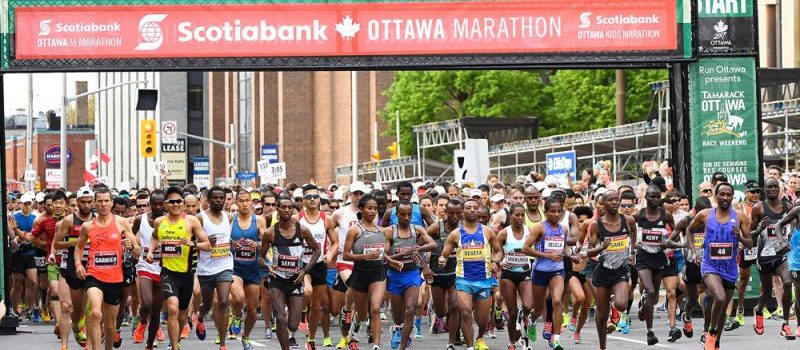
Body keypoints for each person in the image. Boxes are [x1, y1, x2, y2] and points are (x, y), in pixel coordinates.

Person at [686, 182, 752, 350]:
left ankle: (716, 343)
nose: (725, 197)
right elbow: (689, 231)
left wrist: (740, 237)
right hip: (710, 266)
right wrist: (694, 252)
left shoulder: (740, 217)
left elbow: (750, 243)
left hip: (729, 268)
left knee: (722, 309)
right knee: (720, 298)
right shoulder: (705, 214)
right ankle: (712, 332)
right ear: (716, 195)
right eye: (721, 194)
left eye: (728, 195)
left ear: (732, 196)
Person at [74, 187, 140, 350]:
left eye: (106, 201)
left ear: (111, 202)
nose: (103, 204)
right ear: (95, 203)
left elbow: (138, 251)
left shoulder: (121, 222)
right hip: (94, 276)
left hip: (115, 278)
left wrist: (131, 246)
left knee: (110, 325)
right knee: (96, 313)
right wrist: (78, 264)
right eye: (100, 201)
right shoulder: (88, 226)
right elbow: (79, 248)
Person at [147, 186, 212, 350]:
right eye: (171, 202)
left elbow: (208, 245)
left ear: (183, 203)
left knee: (182, 315)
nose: (175, 204)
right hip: (168, 273)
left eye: (178, 201)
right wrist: (150, 251)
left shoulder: (191, 221)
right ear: (165, 204)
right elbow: (155, 237)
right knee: (173, 308)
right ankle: (174, 347)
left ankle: (177, 338)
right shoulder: (160, 222)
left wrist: (193, 243)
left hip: (187, 274)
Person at [439, 198, 503, 350]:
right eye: (469, 208)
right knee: (466, 312)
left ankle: (479, 338)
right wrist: (442, 259)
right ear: (463, 212)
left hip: (484, 280)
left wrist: (495, 260)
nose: (472, 210)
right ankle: (469, 346)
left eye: (475, 207)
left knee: (483, 320)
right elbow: (444, 254)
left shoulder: (488, 232)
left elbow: (499, 251)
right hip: (463, 280)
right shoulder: (455, 234)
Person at [262, 198, 321, 350]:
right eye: (283, 207)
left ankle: (291, 317)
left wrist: (305, 270)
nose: (287, 210)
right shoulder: (270, 233)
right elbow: (260, 257)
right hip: (277, 280)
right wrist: (268, 267)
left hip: (296, 280)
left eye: (290, 208)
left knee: (293, 325)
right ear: (277, 209)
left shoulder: (302, 230)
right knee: (281, 319)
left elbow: (317, 250)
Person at [586, 190, 637, 350]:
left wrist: (632, 252)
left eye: (617, 200)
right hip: (603, 271)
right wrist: (602, 247)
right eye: (610, 200)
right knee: (601, 314)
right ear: (604, 203)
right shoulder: (596, 225)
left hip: (620, 271)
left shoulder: (627, 220)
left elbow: (634, 232)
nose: (615, 203)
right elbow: (590, 251)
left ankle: (613, 308)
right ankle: (602, 346)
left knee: (622, 304)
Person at [523, 197, 573, 350]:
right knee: (538, 309)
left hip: (557, 270)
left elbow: (563, 247)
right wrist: (547, 255)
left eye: (559, 211)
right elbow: (525, 248)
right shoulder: (539, 228)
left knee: (557, 301)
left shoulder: (563, 229)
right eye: (552, 211)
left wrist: (571, 256)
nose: (556, 214)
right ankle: (531, 319)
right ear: (546, 212)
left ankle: (556, 339)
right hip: (540, 271)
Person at [385, 201, 436, 350]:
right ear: (396, 215)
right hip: (395, 275)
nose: (406, 217)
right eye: (403, 214)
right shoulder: (390, 232)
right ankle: (398, 327)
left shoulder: (417, 229)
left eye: (409, 214)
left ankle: (402, 346)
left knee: (411, 308)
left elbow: (432, 244)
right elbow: (386, 257)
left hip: (412, 274)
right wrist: (406, 253)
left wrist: (419, 249)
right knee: (398, 316)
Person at [295, 184, 339, 350]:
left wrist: (330, 253)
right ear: (303, 200)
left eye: (315, 197)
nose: (312, 200)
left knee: (317, 306)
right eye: (308, 197)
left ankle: (311, 340)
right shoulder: (296, 218)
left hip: (320, 264)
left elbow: (335, 243)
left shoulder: (326, 219)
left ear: (319, 199)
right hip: (302, 264)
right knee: (307, 291)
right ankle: (301, 312)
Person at [342, 193, 387, 350]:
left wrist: (391, 260)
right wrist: (365, 256)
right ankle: (356, 324)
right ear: (361, 208)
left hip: (378, 274)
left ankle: (375, 345)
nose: (373, 211)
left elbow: (382, 253)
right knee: (362, 314)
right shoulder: (354, 230)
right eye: (369, 208)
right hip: (360, 274)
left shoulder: (381, 230)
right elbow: (345, 254)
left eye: (375, 208)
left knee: (375, 308)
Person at [633, 185, 676, 346]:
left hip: (659, 257)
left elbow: (675, 231)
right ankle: (650, 332)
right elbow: (630, 229)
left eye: (658, 196)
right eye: (652, 196)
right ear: (646, 197)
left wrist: (670, 243)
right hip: (643, 257)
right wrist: (634, 245)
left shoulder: (666, 215)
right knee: (650, 290)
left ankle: (645, 303)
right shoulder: (639, 215)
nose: (655, 200)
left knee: (655, 296)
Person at [750, 177, 793, 338]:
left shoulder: (788, 206)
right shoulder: (758, 208)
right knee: (767, 293)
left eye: (776, 186)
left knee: (787, 283)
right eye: (769, 187)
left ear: (780, 188)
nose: (773, 189)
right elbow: (750, 233)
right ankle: (759, 310)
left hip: (782, 254)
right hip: (764, 256)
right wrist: (760, 227)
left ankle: (786, 324)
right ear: (764, 190)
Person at [52, 187, 95, 349]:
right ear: (77, 203)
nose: (86, 205)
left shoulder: (98, 220)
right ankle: (64, 345)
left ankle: (81, 333)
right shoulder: (69, 221)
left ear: (93, 202)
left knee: (88, 309)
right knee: (66, 307)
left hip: (91, 268)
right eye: (82, 202)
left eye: (89, 202)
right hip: (69, 266)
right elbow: (56, 244)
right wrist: (75, 243)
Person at [195, 186, 234, 349]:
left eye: (221, 198)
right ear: (208, 200)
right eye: (215, 198)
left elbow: (228, 237)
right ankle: (201, 317)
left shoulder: (229, 217)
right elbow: (190, 242)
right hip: (205, 267)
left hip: (225, 264)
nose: (219, 200)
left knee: (224, 302)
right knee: (208, 304)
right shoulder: (200, 218)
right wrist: (203, 243)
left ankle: (223, 343)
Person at [229, 190, 268, 350]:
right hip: (235, 267)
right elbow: (224, 239)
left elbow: (267, 241)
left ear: (251, 202)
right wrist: (233, 243)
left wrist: (257, 244)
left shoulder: (258, 220)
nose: (245, 204)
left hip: (252, 269)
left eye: (247, 201)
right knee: (238, 298)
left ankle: (246, 337)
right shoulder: (231, 220)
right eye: (241, 201)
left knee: (252, 310)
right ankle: (237, 315)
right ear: (236, 203)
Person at [669, 196, 711, 340]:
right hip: (691, 266)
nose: (706, 216)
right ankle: (686, 315)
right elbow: (669, 242)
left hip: (708, 265)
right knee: (693, 300)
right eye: (702, 212)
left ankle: (707, 332)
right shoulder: (686, 222)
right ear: (696, 211)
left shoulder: (713, 221)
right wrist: (684, 245)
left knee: (707, 297)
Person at [132, 190, 168, 349]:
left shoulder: (171, 220)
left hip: (163, 268)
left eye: (161, 203)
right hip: (145, 266)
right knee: (146, 304)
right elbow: (130, 234)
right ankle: (142, 321)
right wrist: (132, 246)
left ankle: (149, 344)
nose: (158, 206)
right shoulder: (141, 219)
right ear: (150, 204)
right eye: (155, 203)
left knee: (156, 311)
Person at [426, 199, 463, 348]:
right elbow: (419, 244)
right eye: (451, 213)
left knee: (455, 305)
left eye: (458, 213)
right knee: (442, 311)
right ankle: (442, 316)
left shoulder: (464, 228)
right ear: (446, 213)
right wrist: (424, 266)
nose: (454, 216)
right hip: (438, 275)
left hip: (456, 274)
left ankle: (452, 339)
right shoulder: (436, 228)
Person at [496, 204, 533, 350]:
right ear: (510, 216)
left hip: (525, 273)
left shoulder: (529, 231)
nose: (519, 218)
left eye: (522, 215)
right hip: (508, 275)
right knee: (512, 311)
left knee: (528, 306)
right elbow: (497, 252)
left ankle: (522, 325)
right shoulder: (504, 233)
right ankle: (511, 343)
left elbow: (534, 249)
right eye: (516, 215)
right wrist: (498, 262)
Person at [8, 192, 38, 321]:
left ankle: (29, 309)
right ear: (20, 204)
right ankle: (16, 309)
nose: (27, 206)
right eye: (24, 204)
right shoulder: (15, 216)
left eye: (29, 204)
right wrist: (20, 236)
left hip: (30, 252)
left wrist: (25, 237)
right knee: (17, 282)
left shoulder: (35, 218)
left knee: (32, 281)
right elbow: (14, 236)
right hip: (18, 253)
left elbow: (35, 236)